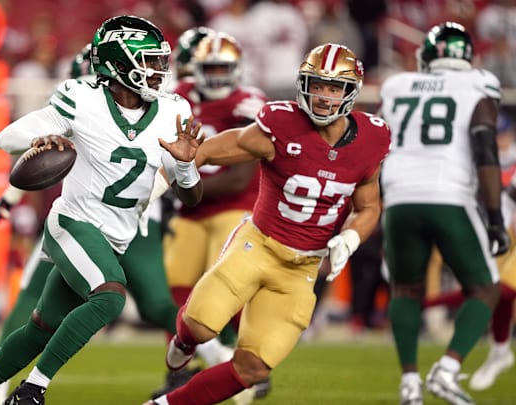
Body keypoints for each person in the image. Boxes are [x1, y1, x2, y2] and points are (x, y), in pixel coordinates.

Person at [0, 15, 204, 405]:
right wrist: (41, 136)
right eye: (149, 61)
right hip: (73, 222)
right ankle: (31, 390)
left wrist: (183, 165)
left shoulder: (173, 109)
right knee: (110, 296)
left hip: (116, 237)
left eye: (160, 61)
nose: (159, 71)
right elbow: (6, 137)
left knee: (41, 328)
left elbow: (193, 197)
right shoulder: (81, 97)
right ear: (118, 64)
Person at [148, 42, 391, 405]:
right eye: (317, 85)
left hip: (302, 268)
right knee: (198, 326)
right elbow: (226, 146)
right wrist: (191, 158)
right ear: (302, 84)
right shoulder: (282, 123)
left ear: (350, 91)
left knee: (253, 369)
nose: (324, 97)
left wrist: (351, 238)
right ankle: (183, 343)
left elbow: (369, 205)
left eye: (334, 87)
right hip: (257, 245)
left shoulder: (372, 139)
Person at [379, 22, 509, 405]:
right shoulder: (477, 84)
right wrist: (496, 217)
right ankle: (447, 371)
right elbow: (485, 150)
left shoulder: (396, 85)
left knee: (405, 289)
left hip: (399, 195)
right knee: (486, 287)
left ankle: (409, 385)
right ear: (468, 58)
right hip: (448, 193)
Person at [157, 30, 269, 403]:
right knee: (175, 287)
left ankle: (245, 363)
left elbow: (240, 176)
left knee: (224, 288)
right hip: (190, 210)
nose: (217, 75)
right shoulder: (181, 95)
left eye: (224, 67)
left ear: (236, 69)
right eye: (211, 67)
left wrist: (183, 186)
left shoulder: (249, 103)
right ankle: (183, 370)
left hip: (232, 206)